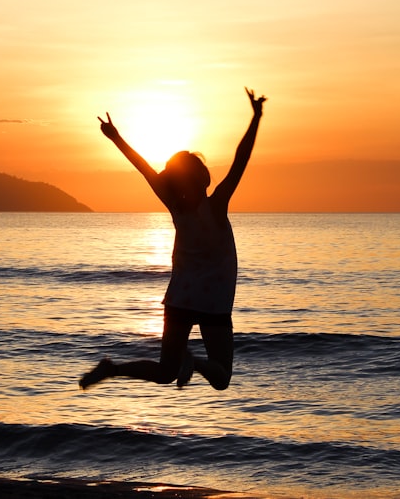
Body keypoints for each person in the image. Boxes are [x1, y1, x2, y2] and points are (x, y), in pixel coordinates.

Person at [79, 87, 266, 391]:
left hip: (180, 297)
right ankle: (198, 364)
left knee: (166, 371)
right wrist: (256, 117)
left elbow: (143, 168)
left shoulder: (176, 207)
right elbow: (240, 160)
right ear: (203, 176)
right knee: (222, 379)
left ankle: (112, 370)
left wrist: (115, 137)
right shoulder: (216, 206)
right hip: (214, 301)